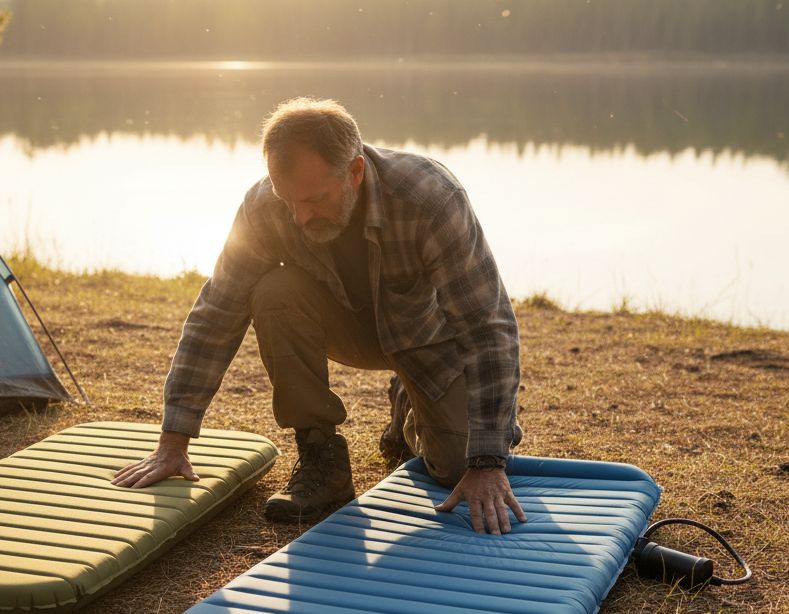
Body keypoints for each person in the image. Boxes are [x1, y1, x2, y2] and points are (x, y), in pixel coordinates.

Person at [112, 97, 525, 535]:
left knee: (455, 466)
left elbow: (488, 327)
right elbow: (216, 312)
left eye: (314, 199)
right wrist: (174, 438)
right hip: (342, 325)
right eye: (286, 199)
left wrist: (486, 461)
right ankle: (320, 454)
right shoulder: (264, 208)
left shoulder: (430, 198)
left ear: (355, 172)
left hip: (425, 337)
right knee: (274, 292)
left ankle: (408, 401)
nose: (299, 216)